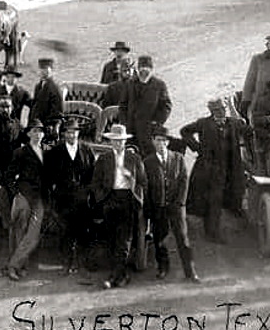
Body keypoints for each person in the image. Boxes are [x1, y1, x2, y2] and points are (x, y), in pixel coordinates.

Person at [181, 99, 252, 244]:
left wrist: (241, 119)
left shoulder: (233, 122)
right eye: (217, 110)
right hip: (210, 167)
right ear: (211, 112)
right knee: (214, 200)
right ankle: (212, 233)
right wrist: (196, 147)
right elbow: (185, 131)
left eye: (222, 109)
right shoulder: (203, 123)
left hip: (231, 166)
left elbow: (249, 131)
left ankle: (236, 214)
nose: (221, 113)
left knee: (236, 191)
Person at [91, 124, 147, 289]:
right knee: (111, 238)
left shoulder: (134, 159)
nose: (118, 144)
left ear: (125, 141)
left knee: (124, 240)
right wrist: (102, 198)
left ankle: (114, 277)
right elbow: (96, 182)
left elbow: (143, 182)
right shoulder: (104, 159)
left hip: (128, 199)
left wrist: (136, 192)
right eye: (114, 141)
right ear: (110, 142)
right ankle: (121, 275)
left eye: (121, 141)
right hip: (110, 199)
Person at [143, 126, 199, 283]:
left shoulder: (178, 159)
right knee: (159, 239)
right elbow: (146, 186)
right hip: (158, 207)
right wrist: (150, 207)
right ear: (153, 142)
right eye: (158, 140)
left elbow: (183, 181)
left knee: (183, 238)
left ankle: (190, 271)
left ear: (168, 143)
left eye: (164, 140)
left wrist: (180, 202)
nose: (161, 143)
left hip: (176, 206)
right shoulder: (148, 162)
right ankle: (163, 268)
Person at [45, 118, 96, 274]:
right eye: (68, 132)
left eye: (74, 132)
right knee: (66, 231)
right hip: (63, 197)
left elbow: (92, 173)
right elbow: (48, 176)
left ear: (78, 133)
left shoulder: (87, 150)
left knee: (83, 230)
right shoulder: (55, 152)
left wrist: (87, 191)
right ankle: (67, 263)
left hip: (82, 197)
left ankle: (83, 262)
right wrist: (54, 194)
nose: (72, 135)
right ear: (64, 134)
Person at [5, 119, 47, 282]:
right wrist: (17, 193)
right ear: (29, 133)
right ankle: (19, 267)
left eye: (40, 131)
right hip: (24, 196)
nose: (38, 134)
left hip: (39, 198)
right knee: (19, 232)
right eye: (34, 131)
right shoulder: (21, 152)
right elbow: (9, 176)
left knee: (33, 234)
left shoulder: (46, 151)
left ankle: (13, 265)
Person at [123, 55, 172, 157]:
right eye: (141, 69)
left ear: (151, 69)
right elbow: (123, 105)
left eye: (147, 69)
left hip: (149, 130)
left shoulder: (159, 85)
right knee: (131, 156)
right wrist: (125, 122)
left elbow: (166, 106)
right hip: (131, 129)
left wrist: (156, 122)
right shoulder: (130, 83)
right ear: (137, 69)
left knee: (148, 157)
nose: (144, 72)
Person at [28, 58, 64, 139]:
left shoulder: (55, 88)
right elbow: (35, 106)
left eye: (46, 69)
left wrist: (48, 126)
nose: (43, 72)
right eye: (41, 69)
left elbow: (57, 113)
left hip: (46, 128)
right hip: (35, 125)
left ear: (51, 70)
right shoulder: (38, 86)